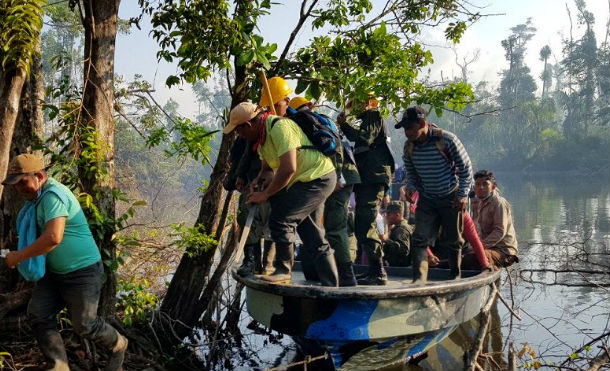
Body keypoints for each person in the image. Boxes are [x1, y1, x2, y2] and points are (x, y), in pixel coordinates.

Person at [2, 154, 128, 371]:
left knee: (84, 324)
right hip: (53, 274)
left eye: (23, 182)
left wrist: (18, 256)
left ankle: (119, 344)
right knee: (39, 315)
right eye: (15, 184)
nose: (19, 189)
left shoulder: (53, 196)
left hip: (83, 272)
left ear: (39, 176)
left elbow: (53, 237)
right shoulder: (35, 202)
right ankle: (58, 367)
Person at [223, 101, 338, 286]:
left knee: (281, 219)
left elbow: (288, 169)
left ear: (249, 125)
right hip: (303, 181)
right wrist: (258, 181)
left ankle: (283, 272)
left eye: (239, 131)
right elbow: (268, 170)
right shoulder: (260, 139)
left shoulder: (279, 127)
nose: (240, 136)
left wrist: (265, 195)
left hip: (318, 177)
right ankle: (332, 284)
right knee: (311, 233)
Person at [289, 95, 361, 286]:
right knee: (322, 226)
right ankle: (327, 271)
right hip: (333, 175)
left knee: (335, 226)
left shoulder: (311, 122)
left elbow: (334, 148)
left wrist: (338, 176)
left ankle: (347, 275)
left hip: (340, 176)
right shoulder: (317, 121)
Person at [397, 105, 473, 282]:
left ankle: (455, 277)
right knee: (419, 239)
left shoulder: (446, 140)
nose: (407, 133)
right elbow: (411, 172)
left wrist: (463, 195)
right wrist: (411, 188)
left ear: (422, 123)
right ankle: (419, 280)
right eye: (405, 129)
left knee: (454, 241)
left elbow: (465, 167)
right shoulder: (409, 147)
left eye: (410, 128)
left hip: (451, 197)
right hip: (427, 199)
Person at [337, 94, 395, 285]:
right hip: (368, 177)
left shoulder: (373, 115)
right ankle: (374, 270)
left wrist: (344, 126)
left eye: (358, 103)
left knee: (365, 222)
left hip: (374, 176)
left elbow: (364, 138)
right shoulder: (368, 119)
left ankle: (378, 271)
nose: (356, 108)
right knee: (363, 223)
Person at [463, 170, 519, 269]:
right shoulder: (479, 203)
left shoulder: (499, 203)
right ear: (474, 187)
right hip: (488, 247)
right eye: (478, 184)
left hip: (503, 251)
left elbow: (499, 231)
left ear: (493, 187)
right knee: (457, 254)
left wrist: (478, 247)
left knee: (473, 258)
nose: (481, 187)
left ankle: (490, 270)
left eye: (485, 184)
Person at [381, 201, 414, 267]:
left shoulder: (401, 229)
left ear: (397, 215)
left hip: (400, 270)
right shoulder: (398, 227)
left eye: (388, 213)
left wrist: (386, 240)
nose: (386, 216)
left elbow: (403, 250)